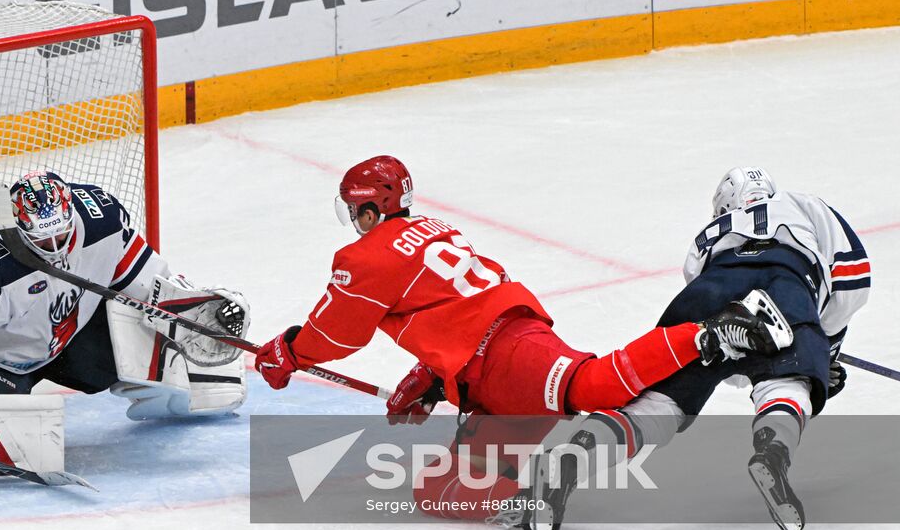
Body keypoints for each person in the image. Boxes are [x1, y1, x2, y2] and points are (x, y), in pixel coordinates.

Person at [253, 155, 792, 421]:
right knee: (446, 489)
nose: (353, 220)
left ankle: (715, 333)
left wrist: (290, 352)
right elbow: (447, 300)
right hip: (499, 344)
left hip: (504, 351)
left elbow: (336, 335)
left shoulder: (365, 255)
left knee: (592, 388)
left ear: (372, 209)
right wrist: (439, 376)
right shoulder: (432, 228)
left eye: (355, 210)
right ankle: (530, 483)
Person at [525, 167, 870, 530]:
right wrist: (821, 350)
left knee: (659, 406)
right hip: (783, 279)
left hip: (708, 290)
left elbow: (725, 356)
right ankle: (772, 453)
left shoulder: (707, 238)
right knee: (785, 382)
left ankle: (568, 461)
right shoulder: (803, 204)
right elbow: (852, 274)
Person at [0, 169, 248, 418]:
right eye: (42, 241)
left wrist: (189, 309)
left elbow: (145, 282)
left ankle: (181, 381)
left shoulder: (101, 219)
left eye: (60, 237)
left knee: (124, 342)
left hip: (65, 342)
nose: (54, 248)